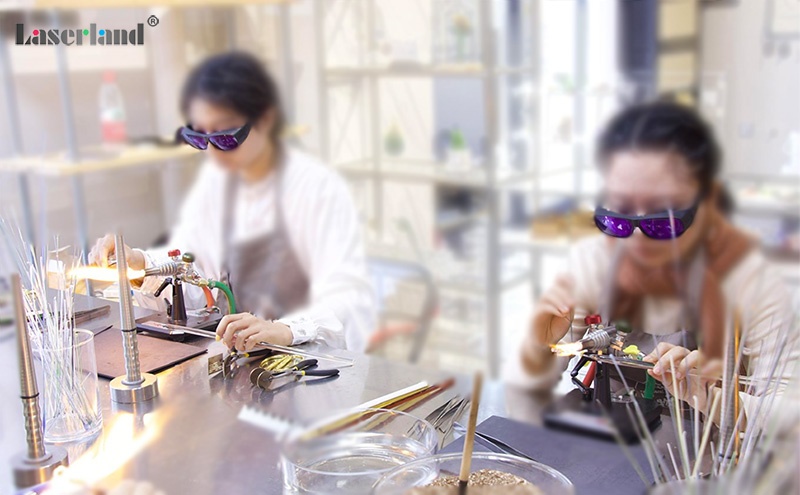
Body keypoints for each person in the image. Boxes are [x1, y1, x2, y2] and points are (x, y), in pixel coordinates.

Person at [515, 101, 798, 421]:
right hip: (610, 432)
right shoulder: (593, 265)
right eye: (618, 223)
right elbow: (540, 376)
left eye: (661, 225)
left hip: (703, 443)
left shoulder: (750, 282)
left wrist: (711, 399)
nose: (636, 244)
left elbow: (790, 412)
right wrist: (541, 344)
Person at [89, 52, 375, 352]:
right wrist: (141, 266)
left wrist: (287, 329)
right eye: (201, 139)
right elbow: (197, 278)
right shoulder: (217, 188)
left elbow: (348, 302)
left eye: (226, 138)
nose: (214, 154)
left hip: (312, 363)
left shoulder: (318, 190)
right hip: (246, 360)